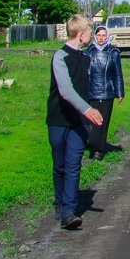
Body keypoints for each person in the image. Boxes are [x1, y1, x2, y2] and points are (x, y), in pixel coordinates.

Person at [47, 14, 103, 230]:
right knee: (60, 164)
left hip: (80, 123)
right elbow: (66, 90)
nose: (91, 35)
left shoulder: (87, 58)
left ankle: (69, 211)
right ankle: (60, 202)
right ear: (81, 35)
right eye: (90, 32)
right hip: (58, 119)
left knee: (73, 165)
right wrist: (88, 109)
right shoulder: (60, 57)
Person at [84, 25, 124, 160]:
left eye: (103, 35)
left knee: (102, 121)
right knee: (92, 121)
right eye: (99, 35)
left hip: (107, 92)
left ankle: (98, 150)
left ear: (107, 36)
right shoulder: (88, 52)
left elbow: (117, 74)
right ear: (95, 36)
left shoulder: (113, 52)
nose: (101, 38)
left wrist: (119, 92)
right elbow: (83, 74)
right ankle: (90, 144)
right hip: (91, 92)